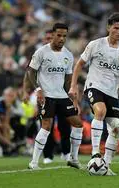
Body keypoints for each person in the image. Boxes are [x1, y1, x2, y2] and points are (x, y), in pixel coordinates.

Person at [69, 12, 119, 175]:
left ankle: (106, 164)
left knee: (115, 128)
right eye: (116, 27)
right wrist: (73, 86)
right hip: (94, 86)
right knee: (100, 111)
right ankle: (95, 153)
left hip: (112, 93)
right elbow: (79, 65)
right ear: (108, 27)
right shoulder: (95, 45)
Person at [24, 23, 83, 170]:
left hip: (62, 96)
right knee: (46, 127)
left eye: (64, 36)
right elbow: (30, 72)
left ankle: (73, 159)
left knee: (78, 124)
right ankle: (34, 162)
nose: (62, 38)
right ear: (53, 35)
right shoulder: (41, 52)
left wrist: (73, 97)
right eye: (59, 35)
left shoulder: (68, 55)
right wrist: (38, 89)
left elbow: (69, 79)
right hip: (47, 95)